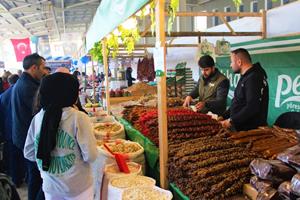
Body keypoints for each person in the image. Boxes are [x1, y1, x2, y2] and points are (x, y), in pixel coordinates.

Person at [24, 73, 98, 200]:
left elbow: (29, 153)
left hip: (50, 187)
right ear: (71, 94)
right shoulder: (78, 117)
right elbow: (91, 156)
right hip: (77, 188)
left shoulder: (38, 118)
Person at [11, 53, 47, 200]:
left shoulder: (23, 82)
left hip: (22, 136)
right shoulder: (29, 87)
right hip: (27, 138)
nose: (45, 71)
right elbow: (41, 112)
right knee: (36, 178)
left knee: (35, 176)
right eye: (43, 68)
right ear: (34, 67)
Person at [221, 48, 269, 131]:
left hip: (250, 131)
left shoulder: (254, 78)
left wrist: (231, 121)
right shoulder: (246, 76)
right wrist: (223, 116)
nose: (230, 65)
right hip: (240, 127)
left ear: (239, 62)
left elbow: (252, 107)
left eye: (231, 62)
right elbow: (238, 101)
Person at [0, 74, 24, 187]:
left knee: (13, 156)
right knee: (24, 155)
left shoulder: (3, 95)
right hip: (21, 129)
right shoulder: (22, 92)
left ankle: (16, 179)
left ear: (9, 83)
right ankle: (24, 176)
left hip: (9, 129)